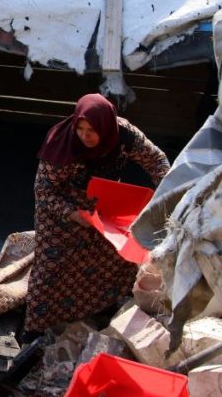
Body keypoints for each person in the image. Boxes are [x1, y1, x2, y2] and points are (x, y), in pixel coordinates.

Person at [24, 93, 170, 335]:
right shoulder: (61, 144)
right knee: (51, 269)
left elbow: (157, 160)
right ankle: (36, 330)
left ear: (106, 127)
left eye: (92, 130)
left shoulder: (124, 135)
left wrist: (166, 191)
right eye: (80, 128)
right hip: (61, 213)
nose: (85, 136)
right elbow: (44, 191)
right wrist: (73, 214)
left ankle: (104, 313)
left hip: (104, 206)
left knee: (117, 258)